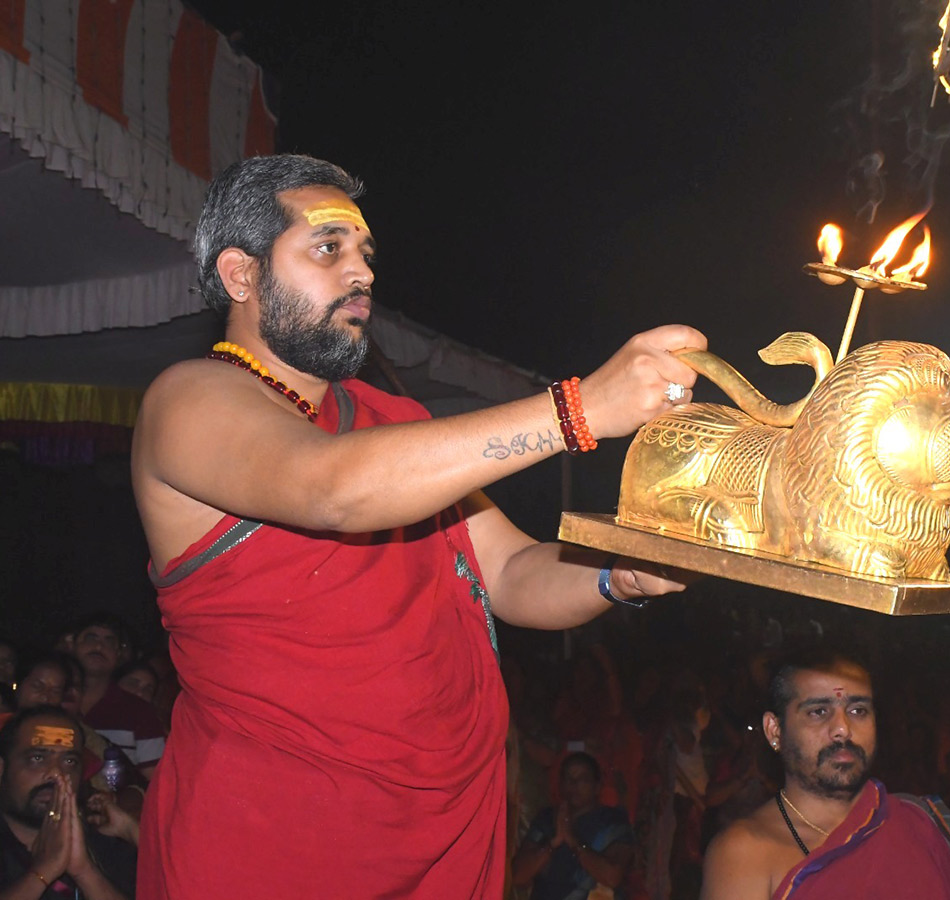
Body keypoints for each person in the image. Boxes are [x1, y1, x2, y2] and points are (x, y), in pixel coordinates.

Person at [130, 153, 706, 900]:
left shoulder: (393, 424)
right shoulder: (189, 400)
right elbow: (333, 488)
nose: (362, 273)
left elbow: (510, 573)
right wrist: (580, 410)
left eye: (366, 253)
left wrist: (614, 573)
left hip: (444, 836)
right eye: (329, 248)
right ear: (241, 275)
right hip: (273, 841)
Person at [700, 648, 950, 900]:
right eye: (818, 711)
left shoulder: (919, 825)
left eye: (858, 711)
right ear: (774, 731)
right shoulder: (744, 853)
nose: (843, 728)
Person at [0, 705, 136, 899]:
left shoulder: (103, 841)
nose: (56, 773)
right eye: (37, 758)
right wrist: (43, 871)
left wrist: (83, 870)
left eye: (69, 761)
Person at [512, 751, 635, 899]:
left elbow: (612, 877)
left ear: (597, 787)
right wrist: (553, 843)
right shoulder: (547, 819)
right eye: (568, 779)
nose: (574, 785)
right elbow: (518, 876)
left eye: (583, 779)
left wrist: (574, 842)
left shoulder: (613, 821)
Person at [71, 615, 165, 779]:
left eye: (109, 641)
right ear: (72, 645)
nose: (99, 646)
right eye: (90, 638)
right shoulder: (52, 700)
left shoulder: (141, 712)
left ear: (119, 654)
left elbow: (156, 781)